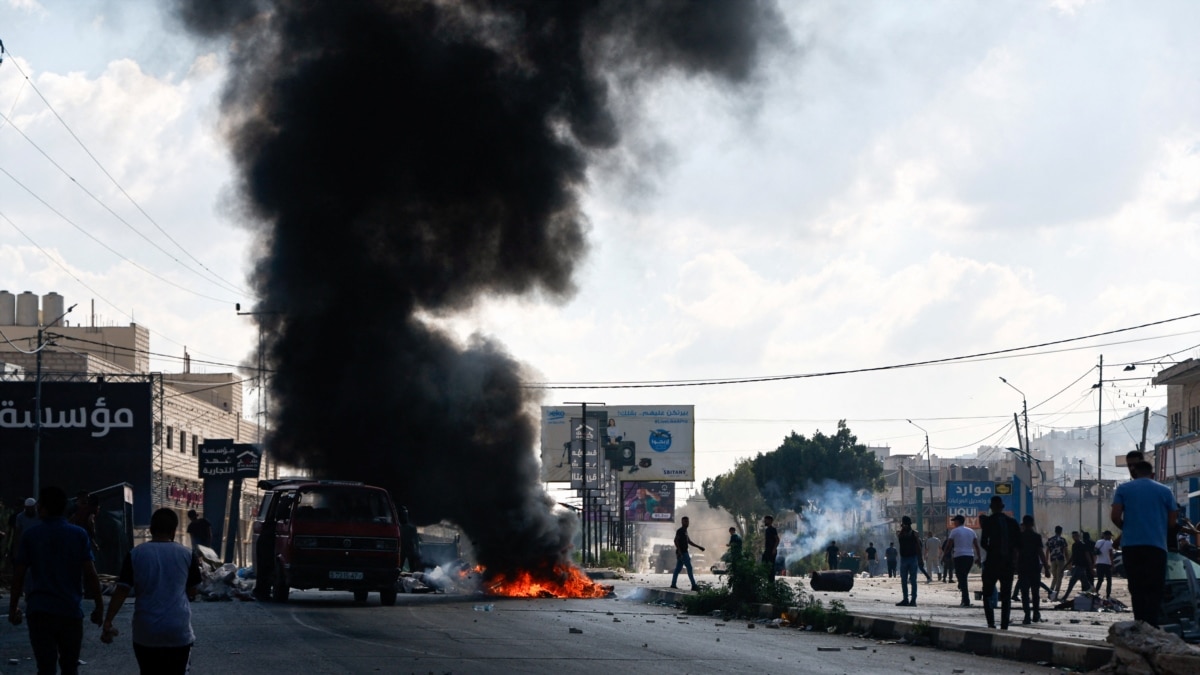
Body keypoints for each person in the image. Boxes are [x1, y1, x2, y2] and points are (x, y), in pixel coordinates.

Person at [8, 486, 104, 675]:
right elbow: (91, 573)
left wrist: (13, 608)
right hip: (70, 611)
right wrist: (99, 607)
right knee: (70, 666)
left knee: (45, 667)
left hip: (40, 611)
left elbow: (18, 575)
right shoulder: (78, 535)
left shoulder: (31, 535)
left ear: (42, 508)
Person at [102, 508, 201, 674]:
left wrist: (108, 621)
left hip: (145, 632)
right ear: (174, 531)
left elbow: (121, 591)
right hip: (178, 631)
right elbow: (192, 592)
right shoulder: (188, 554)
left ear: (150, 530)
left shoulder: (135, 554)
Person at [1111, 459, 1176, 626]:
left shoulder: (1124, 489)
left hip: (1131, 547)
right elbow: (1172, 521)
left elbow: (1115, 516)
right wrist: (1158, 528)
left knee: (1136, 587)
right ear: (1152, 474)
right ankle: (1152, 624)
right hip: (1156, 546)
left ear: (1134, 473)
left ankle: (1139, 623)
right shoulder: (1165, 491)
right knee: (1155, 587)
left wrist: (1128, 528)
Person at [980, 496, 1020, 629]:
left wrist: (992, 550)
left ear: (991, 507)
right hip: (1007, 564)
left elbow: (983, 542)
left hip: (992, 562)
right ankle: (1004, 625)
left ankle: (991, 622)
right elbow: (1017, 545)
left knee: (987, 593)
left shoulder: (988, 522)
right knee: (1006, 595)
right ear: (1003, 507)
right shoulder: (1012, 522)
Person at [1016, 515, 1049, 625]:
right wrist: (1046, 567)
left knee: (1024, 592)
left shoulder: (1019, 536)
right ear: (1033, 524)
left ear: (1024, 524)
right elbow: (1041, 553)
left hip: (1023, 567)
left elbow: (1016, 553)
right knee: (1035, 592)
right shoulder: (1036, 536)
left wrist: (1014, 566)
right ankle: (1035, 613)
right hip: (1034, 567)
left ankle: (1027, 615)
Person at [948, 514, 981, 607]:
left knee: (961, 577)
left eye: (954, 521)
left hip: (959, 556)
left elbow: (949, 544)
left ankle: (966, 600)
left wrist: (945, 555)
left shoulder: (954, 531)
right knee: (963, 576)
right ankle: (964, 596)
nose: (953, 523)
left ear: (958, 521)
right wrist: (978, 557)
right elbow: (976, 546)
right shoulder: (971, 531)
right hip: (969, 557)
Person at [670, 516, 705, 591]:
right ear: (682, 522)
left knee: (678, 569)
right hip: (683, 553)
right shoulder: (680, 531)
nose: (687, 523)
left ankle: (673, 584)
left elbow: (689, 541)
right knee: (689, 568)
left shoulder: (685, 531)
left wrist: (699, 547)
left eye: (687, 521)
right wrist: (679, 551)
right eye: (685, 521)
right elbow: (675, 541)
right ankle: (694, 585)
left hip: (683, 552)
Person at [1060, 531, 1094, 601]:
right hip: (1076, 566)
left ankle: (1065, 597)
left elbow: (1088, 557)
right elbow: (1073, 556)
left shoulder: (1083, 545)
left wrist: (1091, 568)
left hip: (1081, 566)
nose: (1074, 537)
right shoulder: (1074, 545)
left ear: (1079, 536)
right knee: (1086, 584)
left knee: (1072, 582)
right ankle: (1093, 594)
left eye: (1076, 536)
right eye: (1073, 536)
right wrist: (1065, 566)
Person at [895, 516, 921, 606]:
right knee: (904, 580)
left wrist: (920, 559)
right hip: (905, 559)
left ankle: (913, 600)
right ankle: (906, 599)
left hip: (912, 558)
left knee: (913, 580)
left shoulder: (914, 534)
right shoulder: (901, 533)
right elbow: (899, 534)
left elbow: (918, 546)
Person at [1045, 525, 1068, 600]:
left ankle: (1050, 592)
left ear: (1055, 531)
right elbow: (1065, 551)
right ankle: (1055, 595)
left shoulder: (1050, 539)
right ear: (1061, 531)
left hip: (1053, 560)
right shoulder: (1062, 540)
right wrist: (1068, 562)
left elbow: (1047, 551)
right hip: (1060, 559)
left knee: (1054, 577)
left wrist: (1046, 561)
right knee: (1059, 578)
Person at [399, 506, 421, 573]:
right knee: (400, 567)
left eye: (405, 514)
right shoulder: (400, 527)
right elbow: (416, 539)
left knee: (412, 568)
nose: (404, 516)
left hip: (409, 549)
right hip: (404, 549)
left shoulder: (410, 527)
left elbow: (416, 539)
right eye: (403, 514)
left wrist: (417, 549)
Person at [1093, 530, 1115, 599]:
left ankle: (1096, 592)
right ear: (1107, 535)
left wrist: (1095, 562)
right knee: (1109, 580)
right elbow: (1111, 554)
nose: (1110, 537)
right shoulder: (1109, 543)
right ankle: (1108, 595)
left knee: (1100, 579)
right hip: (1107, 564)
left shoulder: (1098, 542)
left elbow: (1095, 553)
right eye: (1110, 536)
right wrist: (1112, 563)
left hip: (1099, 563)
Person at [762, 515, 779, 583]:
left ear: (770, 521)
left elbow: (777, 540)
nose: (765, 521)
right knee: (764, 564)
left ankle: (771, 582)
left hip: (771, 551)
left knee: (771, 566)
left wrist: (774, 549)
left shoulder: (772, 529)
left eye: (766, 520)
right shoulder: (767, 530)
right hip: (767, 550)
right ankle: (768, 579)